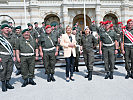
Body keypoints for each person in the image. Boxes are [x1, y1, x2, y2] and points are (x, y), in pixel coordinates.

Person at [0, 24, 16, 92]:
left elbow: (14, 47)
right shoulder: (1, 38)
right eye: (5, 28)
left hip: (10, 56)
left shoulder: (11, 37)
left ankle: (7, 82)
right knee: (3, 70)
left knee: (10, 70)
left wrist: (14, 56)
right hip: (2, 56)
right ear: (2, 30)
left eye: (7, 28)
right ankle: (3, 83)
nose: (7, 29)